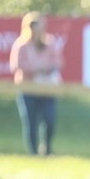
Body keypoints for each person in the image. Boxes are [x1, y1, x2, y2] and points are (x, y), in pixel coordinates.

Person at [8, 12, 62, 156]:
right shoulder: (21, 45)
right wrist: (35, 69)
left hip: (47, 89)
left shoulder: (50, 43)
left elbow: (57, 62)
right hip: (28, 88)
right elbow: (16, 66)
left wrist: (46, 69)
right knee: (30, 121)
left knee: (49, 119)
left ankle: (47, 148)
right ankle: (33, 152)